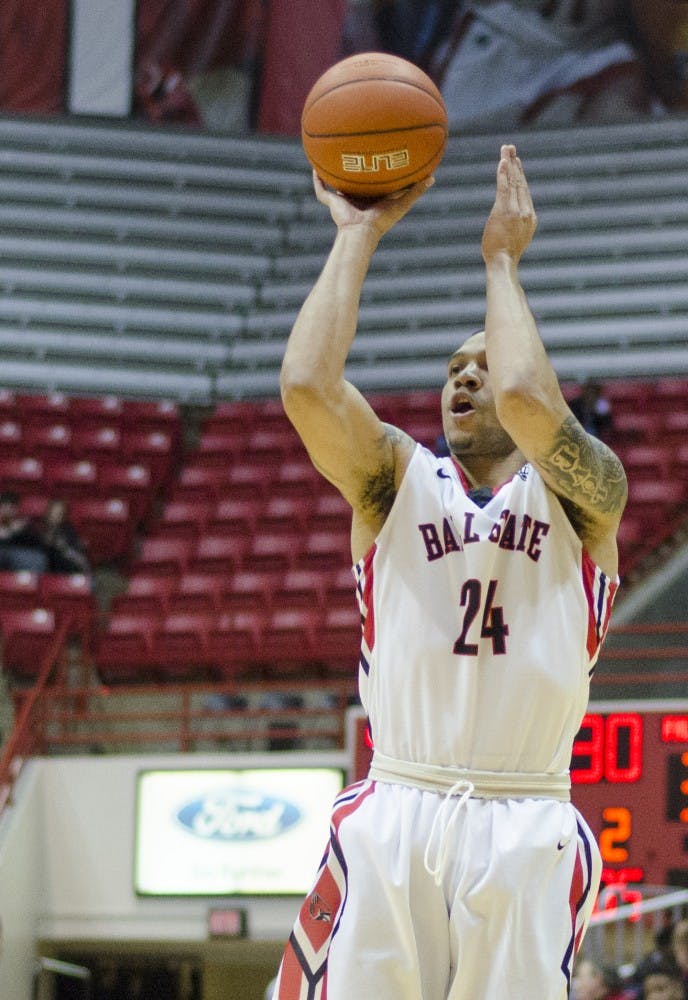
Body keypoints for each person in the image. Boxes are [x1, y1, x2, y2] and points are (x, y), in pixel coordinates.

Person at [272, 144, 627, 1000]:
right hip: (397, 803)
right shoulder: (395, 480)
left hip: (526, 823)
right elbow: (307, 386)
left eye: (480, 365)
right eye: (450, 371)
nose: (465, 379)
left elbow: (528, 400)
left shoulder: (587, 495)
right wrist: (356, 233)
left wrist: (500, 259)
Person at [37, 499, 91, 577]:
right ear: (48, 512)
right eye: (54, 512)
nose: (56, 516)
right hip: (44, 566)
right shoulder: (39, 528)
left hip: (65, 567)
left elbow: (77, 556)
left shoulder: (68, 530)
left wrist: (64, 548)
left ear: (63, 516)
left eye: (60, 513)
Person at [0, 490, 49, 572]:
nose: (8, 511)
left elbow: (36, 543)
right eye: (4, 507)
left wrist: (19, 531)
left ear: (16, 509)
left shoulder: (22, 525)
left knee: (38, 559)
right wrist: (9, 531)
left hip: (16, 555)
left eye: (12, 507)